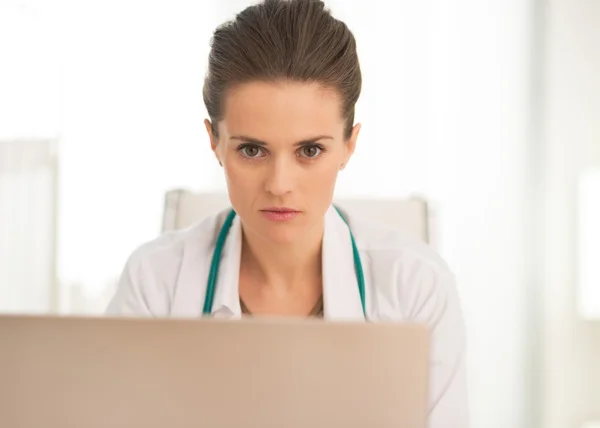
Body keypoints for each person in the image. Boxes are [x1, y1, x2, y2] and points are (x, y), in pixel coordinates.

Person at [106, 0, 468, 426]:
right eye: (252, 150)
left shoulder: (416, 288)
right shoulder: (155, 281)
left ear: (349, 145)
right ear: (214, 142)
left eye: (310, 150)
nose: (279, 184)